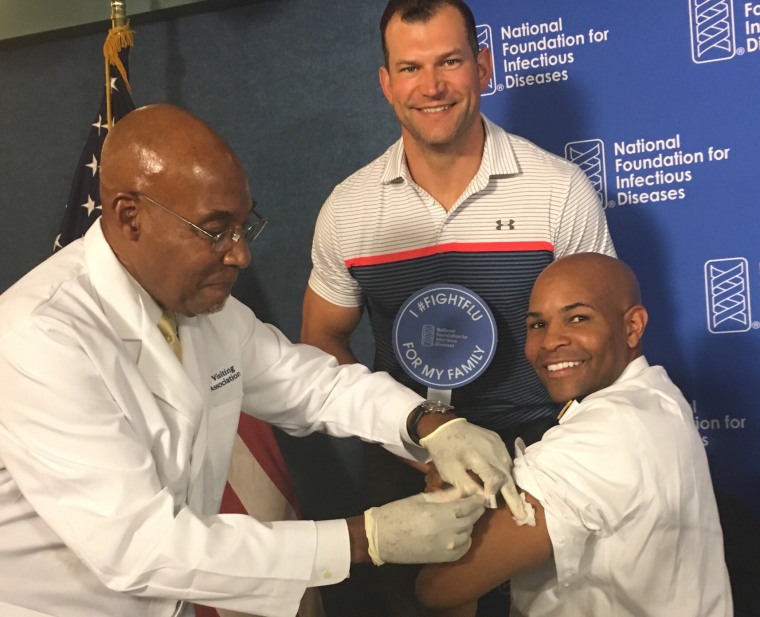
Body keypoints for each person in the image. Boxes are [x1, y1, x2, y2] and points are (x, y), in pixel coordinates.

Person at [0, 104, 529, 617]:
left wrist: (432, 424)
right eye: (215, 230)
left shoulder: (202, 307)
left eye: (243, 227)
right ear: (129, 217)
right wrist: (367, 539)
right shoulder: (40, 335)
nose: (239, 255)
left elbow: (311, 385)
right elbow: (136, 543)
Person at [301, 0, 615, 613]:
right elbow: (320, 343)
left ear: (484, 66)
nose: (432, 86)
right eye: (411, 68)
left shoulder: (558, 190)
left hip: (542, 457)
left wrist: (552, 459)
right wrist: (417, 443)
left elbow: (604, 346)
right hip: (410, 463)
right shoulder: (349, 207)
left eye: (450, 61)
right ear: (386, 83)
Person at [415, 253, 733, 617]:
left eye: (578, 318)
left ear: (632, 327)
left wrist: (456, 501)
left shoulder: (601, 438)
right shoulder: (657, 395)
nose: (551, 342)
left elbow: (441, 588)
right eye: (537, 325)